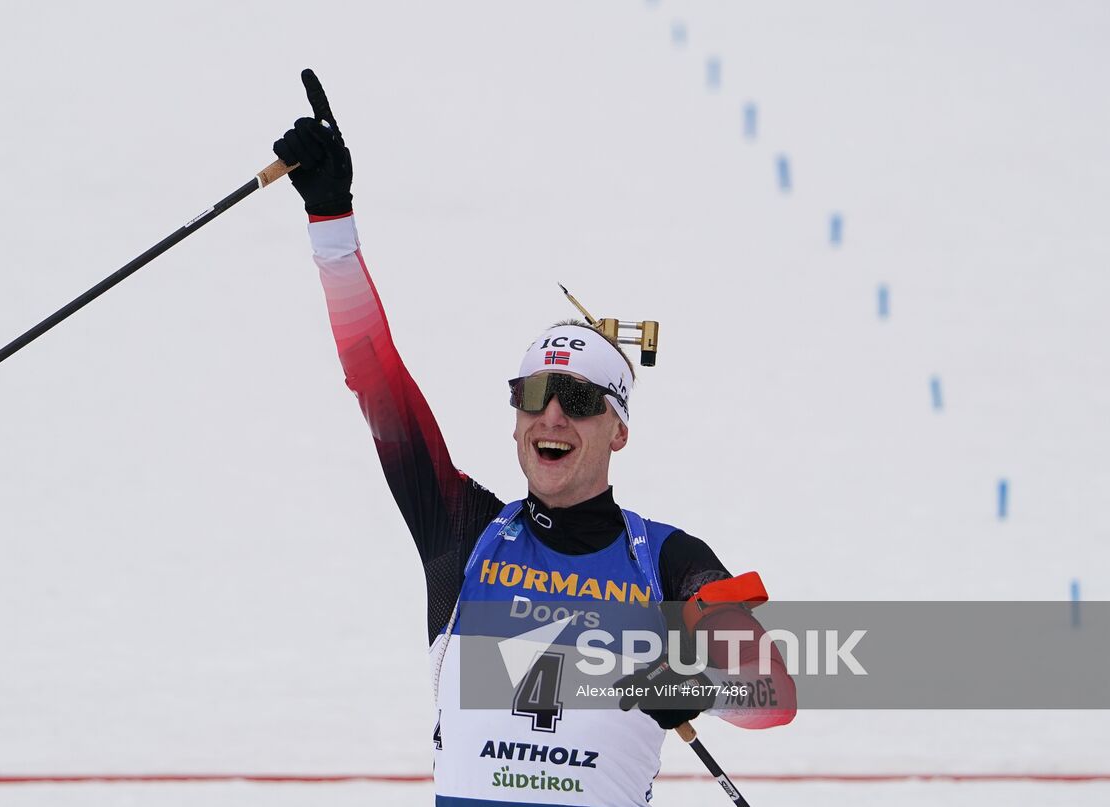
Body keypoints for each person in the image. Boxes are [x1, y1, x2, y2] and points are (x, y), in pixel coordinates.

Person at [274, 70, 794, 806]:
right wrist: (332, 221)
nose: (551, 417)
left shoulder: (669, 561)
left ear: (617, 429)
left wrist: (696, 681)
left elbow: (771, 692)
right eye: (533, 396)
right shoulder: (463, 533)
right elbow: (374, 379)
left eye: (577, 400)